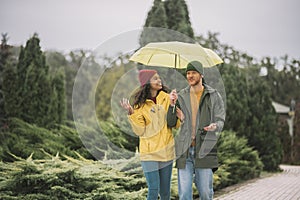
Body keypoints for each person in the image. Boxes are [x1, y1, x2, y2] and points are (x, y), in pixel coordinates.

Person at [167, 61, 225, 200]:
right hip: (185, 151)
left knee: (205, 193)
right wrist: (172, 105)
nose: (190, 76)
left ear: (201, 75)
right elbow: (170, 122)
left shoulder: (213, 95)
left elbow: (220, 119)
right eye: (188, 73)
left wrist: (215, 126)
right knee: (185, 195)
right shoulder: (181, 95)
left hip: (204, 150)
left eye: (193, 73)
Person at [120, 69, 175, 200]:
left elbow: (175, 124)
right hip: (149, 153)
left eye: (159, 78)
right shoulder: (139, 106)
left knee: (166, 193)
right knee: (153, 190)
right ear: (147, 83)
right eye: (155, 78)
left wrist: (173, 104)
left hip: (166, 151)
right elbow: (139, 131)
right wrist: (131, 112)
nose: (159, 80)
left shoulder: (167, 98)